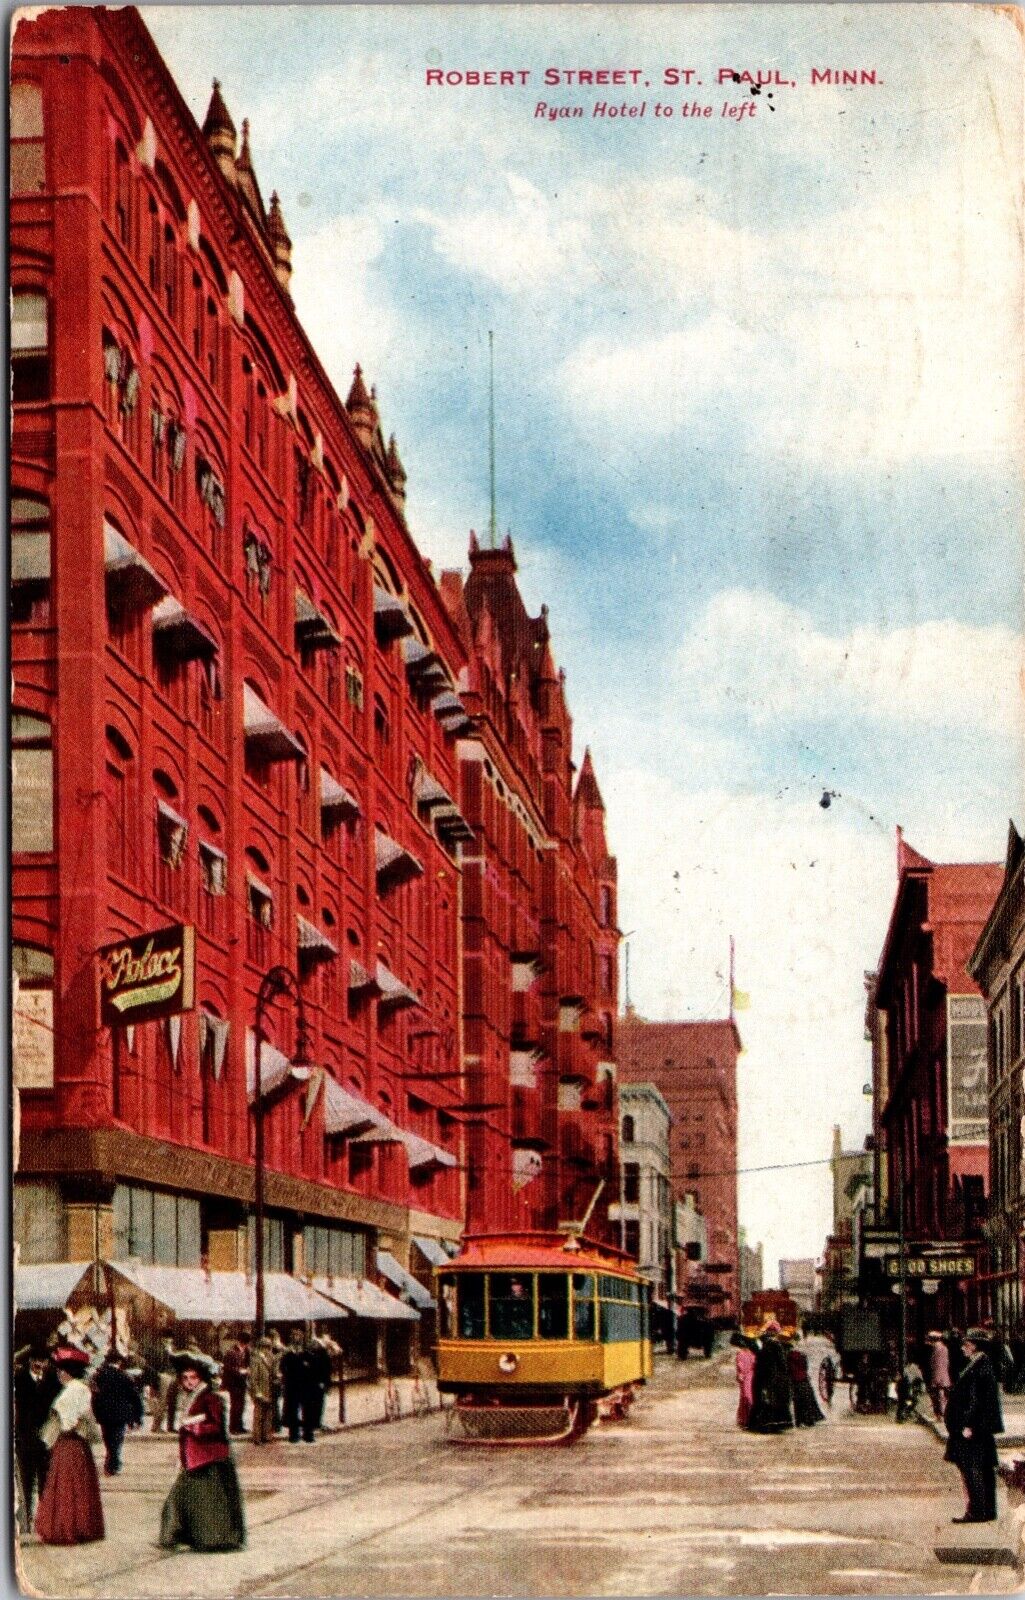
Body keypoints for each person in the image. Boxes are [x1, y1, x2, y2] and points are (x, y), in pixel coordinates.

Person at [159, 1353, 246, 1552]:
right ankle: (174, 1536)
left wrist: (194, 1427)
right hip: (194, 1457)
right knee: (182, 1499)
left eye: (193, 1378)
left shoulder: (211, 1397)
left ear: (202, 1379)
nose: (189, 1382)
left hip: (210, 1457)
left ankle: (210, 1539)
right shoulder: (191, 1397)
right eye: (185, 1378)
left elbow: (217, 1427)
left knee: (207, 1502)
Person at [34, 1346, 105, 1546]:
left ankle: (66, 1527)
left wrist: (50, 1436)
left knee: (65, 1484)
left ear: (66, 1372)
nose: (59, 1374)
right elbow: (87, 1418)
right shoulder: (82, 1388)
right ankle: (81, 1526)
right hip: (79, 1443)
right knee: (79, 1484)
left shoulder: (72, 1391)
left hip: (67, 1441)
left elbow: (64, 1420)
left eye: (60, 1370)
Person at [944, 1328, 1004, 1524]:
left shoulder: (979, 1367)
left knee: (972, 1468)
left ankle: (977, 1510)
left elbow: (975, 1401)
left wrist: (968, 1425)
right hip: (980, 1427)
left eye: (967, 1344)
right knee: (984, 1468)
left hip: (973, 1428)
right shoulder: (980, 1364)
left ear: (975, 1346)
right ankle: (987, 1510)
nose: (963, 1348)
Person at [15, 1351, 59, 1531]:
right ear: (31, 1361)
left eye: (43, 1361)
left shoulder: (53, 1381)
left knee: (45, 1481)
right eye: (36, 1361)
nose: (39, 1365)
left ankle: (44, 1519)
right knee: (25, 1482)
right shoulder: (19, 1379)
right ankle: (26, 1520)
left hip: (45, 1439)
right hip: (25, 1438)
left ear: (47, 1362)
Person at [91, 1354, 144, 1475]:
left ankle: (110, 1461)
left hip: (104, 1414)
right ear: (119, 1362)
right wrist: (138, 1416)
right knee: (117, 1440)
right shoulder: (124, 1376)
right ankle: (113, 1464)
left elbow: (95, 1397)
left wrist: (96, 1413)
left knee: (108, 1438)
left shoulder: (99, 1376)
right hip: (120, 1414)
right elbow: (134, 1398)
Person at [748, 1321, 794, 1433]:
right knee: (775, 1400)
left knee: (762, 1399)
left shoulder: (761, 1344)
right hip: (774, 1376)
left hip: (761, 1375)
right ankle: (774, 1424)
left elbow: (758, 1360)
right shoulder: (776, 1345)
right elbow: (782, 1363)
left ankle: (757, 1423)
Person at [279, 1328, 317, 1443]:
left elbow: (313, 1368)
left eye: (299, 1336)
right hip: (292, 1387)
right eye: (295, 1336)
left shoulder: (307, 1353)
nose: (297, 1338)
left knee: (307, 1411)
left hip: (305, 1386)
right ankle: (294, 1435)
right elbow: (282, 1368)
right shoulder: (287, 1354)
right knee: (292, 1411)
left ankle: (308, 1434)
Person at [788, 1342, 824, 1426]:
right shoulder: (801, 1356)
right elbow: (805, 1367)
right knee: (808, 1400)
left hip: (796, 1381)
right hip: (804, 1380)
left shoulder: (789, 1357)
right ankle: (809, 1419)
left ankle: (800, 1420)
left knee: (798, 1402)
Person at [221, 1333, 251, 1436]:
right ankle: (233, 1427)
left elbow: (247, 1363)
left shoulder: (246, 1351)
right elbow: (227, 1368)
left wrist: (247, 1370)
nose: (245, 1346)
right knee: (235, 1405)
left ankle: (240, 1425)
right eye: (244, 1344)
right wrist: (240, 1371)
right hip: (233, 1382)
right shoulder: (231, 1352)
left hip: (242, 1381)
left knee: (242, 1404)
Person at [248, 1337, 275, 1446]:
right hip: (260, 1390)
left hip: (269, 1389)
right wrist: (257, 1392)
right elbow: (253, 1378)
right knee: (258, 1415)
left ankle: (266, 1436)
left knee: (268, 1414)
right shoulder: (256, 1360)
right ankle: (257, 1438)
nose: (268, 1350)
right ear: (262, 1348)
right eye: (267, 1348)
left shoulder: (269, 1358)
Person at [731, 1333, 756, 1428]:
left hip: (749, 1376)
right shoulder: (741, 1354)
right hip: (746, 1377)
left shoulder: (750, 1354)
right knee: (746, 1397)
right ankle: (745, 1418)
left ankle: (747, 1418)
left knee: (747, 1397)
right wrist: (740, 1375)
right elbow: (740, 1366)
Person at [927, 1332, 951, 1419]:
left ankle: (940, 1414)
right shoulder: (945, 1348)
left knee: (938, 1396)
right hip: (944, 1375)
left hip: (938, 1375)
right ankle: (942, 1413)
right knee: (942, 1396)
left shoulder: (936, 1348)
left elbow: (936, 1364)